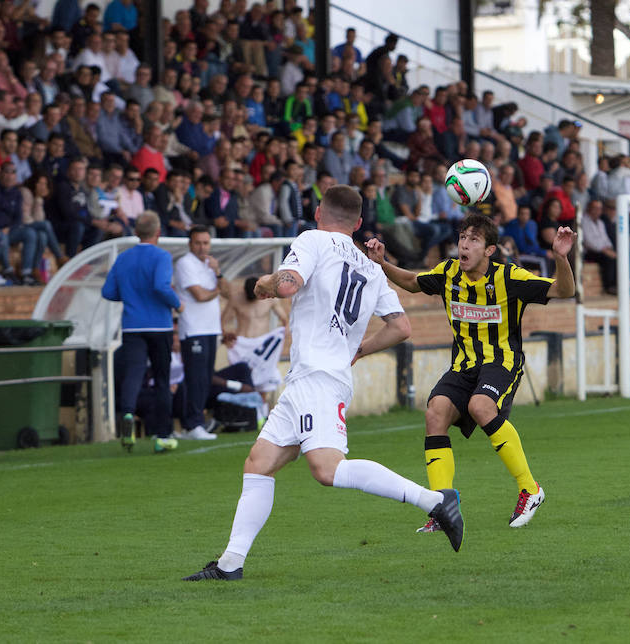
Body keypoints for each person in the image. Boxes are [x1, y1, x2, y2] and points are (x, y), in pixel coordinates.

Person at [183, 185, 465, 582]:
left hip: (318, 376)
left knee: (327, 469)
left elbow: (285, 285)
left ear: (318, 213)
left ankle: (435, 500)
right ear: (359, 223)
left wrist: (264, 283)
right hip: (314, 376)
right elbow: (401, 327)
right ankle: (230, 564)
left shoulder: (312, 239)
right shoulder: (371, 266)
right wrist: (360, 349)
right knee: (258, 464)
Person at [366, 213, 576, 530]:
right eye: (462, 237)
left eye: (473, 239)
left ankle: (530, 489)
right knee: (435, 412)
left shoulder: (510, 277)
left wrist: (560, 257)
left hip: (501, 361)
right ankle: (443, 507)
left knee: (481, 406)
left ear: (489, 250)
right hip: (464, 365)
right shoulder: (448, 272)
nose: (464, 244)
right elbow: (411, 282)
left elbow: (564, 290)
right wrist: (382, 263)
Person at [101, 211, 183, 453]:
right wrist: (177, 302)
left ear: (136, 232)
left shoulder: (123, 258)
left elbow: (108, 292)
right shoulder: (162, 256)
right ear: (158, 233)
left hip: (132, 326)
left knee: (133, 374)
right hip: (159, 325)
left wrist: (129, 296)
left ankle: (127, 414)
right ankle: (162, 435)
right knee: (161, 379)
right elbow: (160, 286)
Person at [174, 226, 224, 441]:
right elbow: (200, 295)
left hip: (211, 328)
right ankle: (193, 424)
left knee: (204, 378)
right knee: (196, 378)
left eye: (206, 243)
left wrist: (218, 273)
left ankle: (194, 424)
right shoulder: (185, 263)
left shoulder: (210, 265)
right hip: (193, 329)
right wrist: (218, 289)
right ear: (190, 244)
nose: (203, 247)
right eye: (198, 243)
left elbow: (229, 291)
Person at [221, 275, 290, 393]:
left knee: (264, 386)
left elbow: (285, 320)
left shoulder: (270, 299)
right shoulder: (236, 299)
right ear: (244, 291)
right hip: (242, 345)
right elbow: (222, 321)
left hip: (262, 345)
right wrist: (226, 336)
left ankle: (261, 409)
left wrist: (282, 337)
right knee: (243, 384)